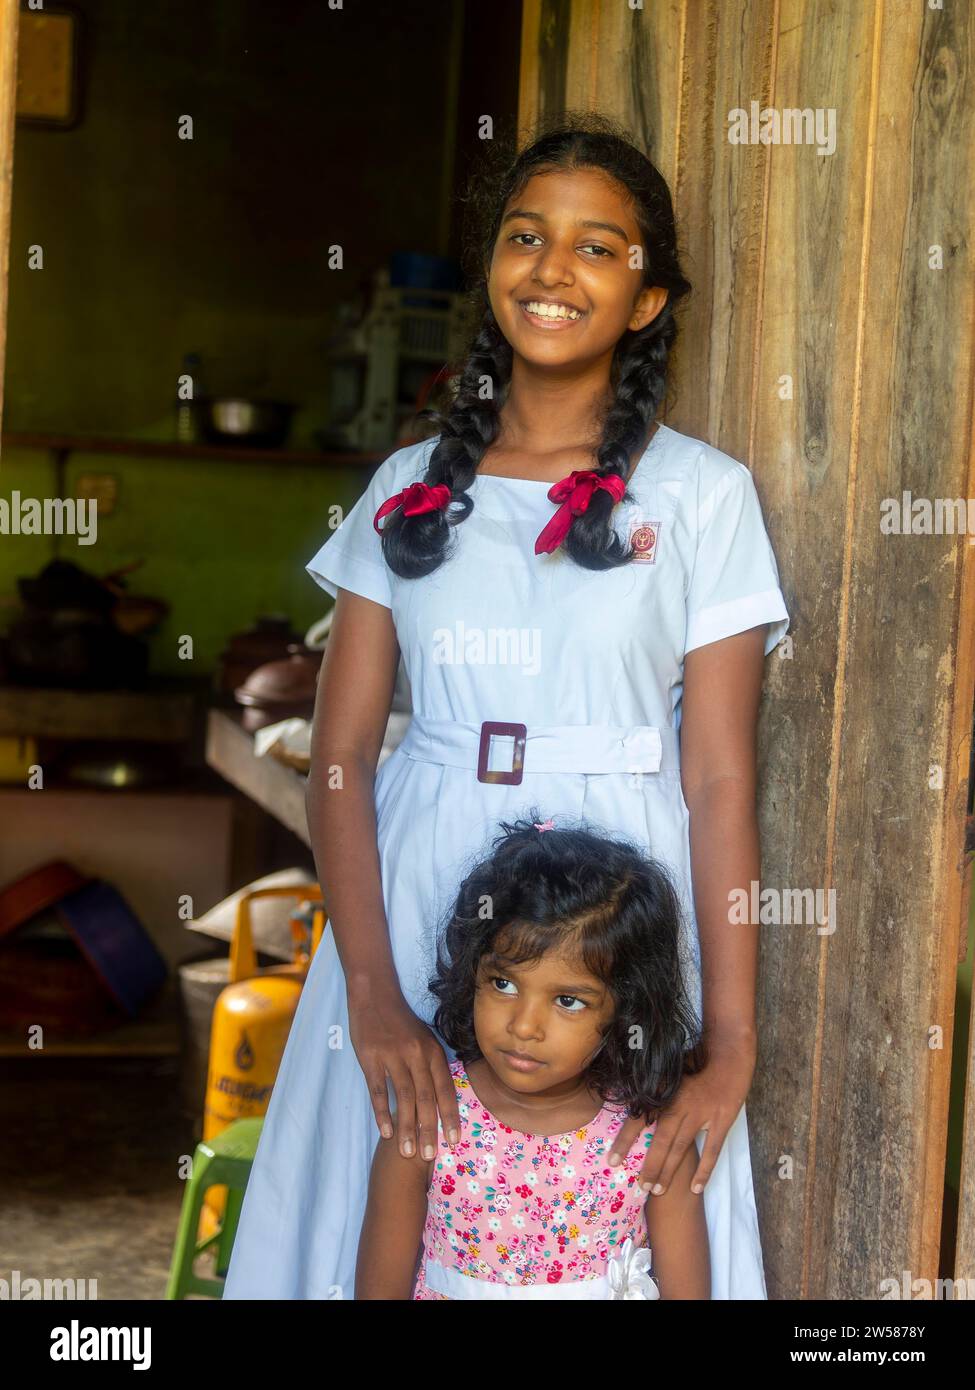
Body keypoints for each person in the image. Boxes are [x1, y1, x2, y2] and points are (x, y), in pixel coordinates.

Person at [223, 110, 790, 1301]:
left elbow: (722, 776)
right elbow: (337, 756)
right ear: (491, 270)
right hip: (422, 865)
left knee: (629, 1190)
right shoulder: (410, 487)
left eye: (599, 247)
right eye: (527, 236)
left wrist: (731, 1041)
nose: (552, 268)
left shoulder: (700, 496)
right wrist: (374, 994)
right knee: (385, 1177)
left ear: (646, 299)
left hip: (624, 891)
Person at [355, 814, 710, 1300]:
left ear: (626, 1007)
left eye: (567, 1001)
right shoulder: (429, 1117)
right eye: (503, 984)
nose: (524, 1026)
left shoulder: (652, 1138)